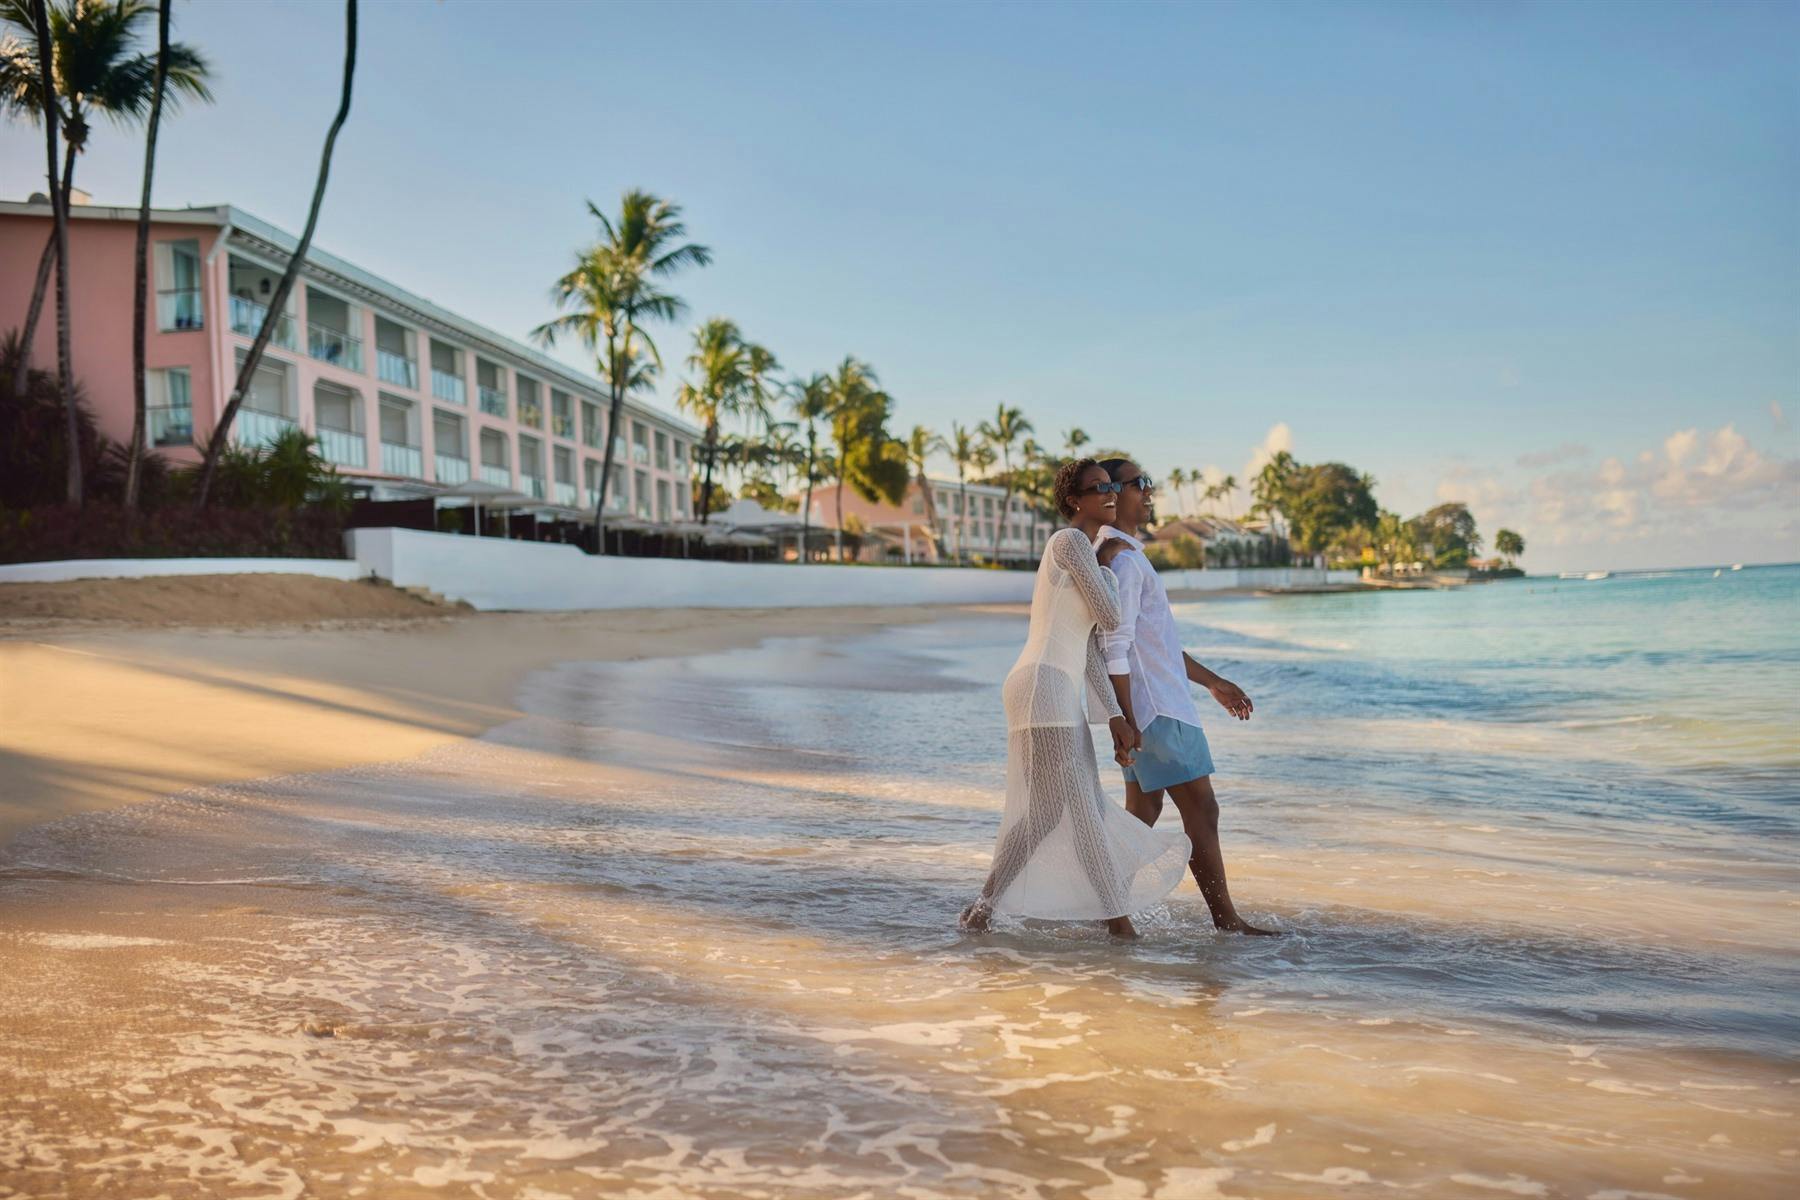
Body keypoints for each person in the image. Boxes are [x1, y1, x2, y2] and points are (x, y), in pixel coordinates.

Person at [961, 459, 1191, 940]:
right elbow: (1111, 616)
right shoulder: (1069, 544)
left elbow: (1090, 650)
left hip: (1054, 686)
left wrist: (1113, 716)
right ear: (1073, 501)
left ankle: (980, 912)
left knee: (1046, 813)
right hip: (1041, 685)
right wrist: (1108, 572)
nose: (1110, 493)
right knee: (1085, 806)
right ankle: (1119, 926)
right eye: (1098, 488)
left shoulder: (1086, 554)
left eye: (1112, 485)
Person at [1095, 457, 1280, 936]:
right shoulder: (1125, 560)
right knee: (1201, 807)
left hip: (1150, 705)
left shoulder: (1125, 555)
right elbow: (1116, 643)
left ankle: (1112, 916)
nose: (1151, 491)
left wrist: (1212, 681)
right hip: (1156, 710)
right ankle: (1226, 922)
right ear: (1115, 494)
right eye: (1142, 483)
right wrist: (1127, 715)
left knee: (1144, 812)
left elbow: (1154, 642)